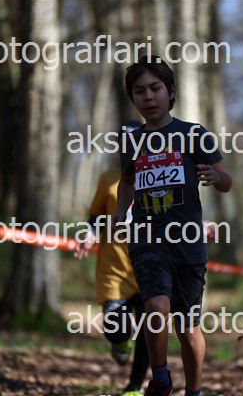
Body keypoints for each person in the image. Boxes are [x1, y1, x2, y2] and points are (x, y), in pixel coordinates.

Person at [114, 55, 232, 396]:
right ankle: (161, 378)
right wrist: (120, 214)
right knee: (156, 307)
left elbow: (226, 180)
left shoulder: (193, 134)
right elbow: (127, 182)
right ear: (132, 98)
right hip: (147, 239)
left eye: (155, 88)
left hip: (187, 243)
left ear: (171, 92)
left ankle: (194, 391)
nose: (148, 97)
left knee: (187, 329)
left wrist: (217, 178)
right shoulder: (132, 141)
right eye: (139, 91)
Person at [74, 155, 150, 396]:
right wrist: (91, 233)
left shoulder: (157, 173)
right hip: (114, 267)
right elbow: (96, 216)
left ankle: (135, 386)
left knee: (149, 330)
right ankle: (120, 341)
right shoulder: (108, 179)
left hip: (150, 266)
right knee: (115, 326)